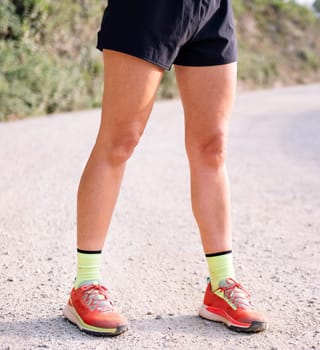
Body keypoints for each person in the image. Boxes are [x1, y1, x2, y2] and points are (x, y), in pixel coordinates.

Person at [62, 0, 268, 336]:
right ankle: (85, 283)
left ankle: (221, 284)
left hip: (210, 9)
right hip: (146, 8)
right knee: (120, 140)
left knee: (212, 146)